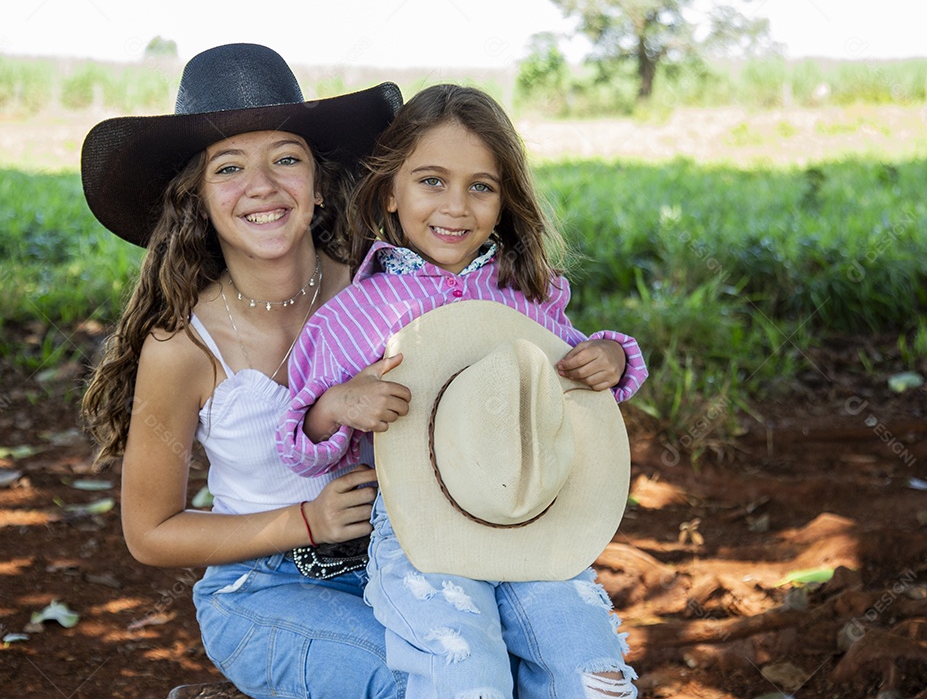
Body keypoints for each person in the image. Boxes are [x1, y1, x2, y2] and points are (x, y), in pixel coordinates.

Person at [278, 84, 645, 698]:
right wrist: (338, 405)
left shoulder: (526, 293)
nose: (456, 206)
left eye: (481, 186)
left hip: (530, 512)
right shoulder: (354, 315)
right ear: (390, 192)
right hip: (416, 529)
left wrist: (611, 356)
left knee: (590, 669)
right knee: (464, 669)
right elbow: (298, 445)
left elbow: (575, 375)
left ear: (504, 202)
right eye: (431, 181)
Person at [79, 43, 408, 698]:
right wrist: (304, 522)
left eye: (286, 158)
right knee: (415, 680)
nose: (262, 186)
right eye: (229, 168)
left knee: (520, 670)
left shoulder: (383, 290)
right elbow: (150, 533)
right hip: (261, 587)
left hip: (403, 566)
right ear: (198, 200)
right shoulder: (183, 347)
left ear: (319, 185)